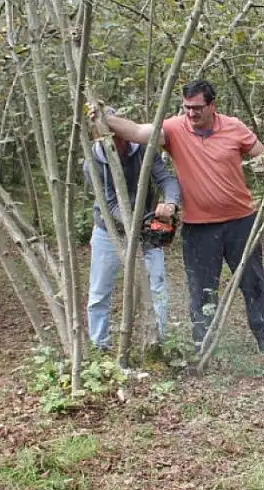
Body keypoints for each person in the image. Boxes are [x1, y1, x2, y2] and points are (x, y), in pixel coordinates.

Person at [101, 80, 264, 355]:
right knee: (201, 289)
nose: (191, 113)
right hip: (199, 229)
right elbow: (139, 132)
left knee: (253, 282)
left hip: (240, 222)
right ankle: (203, 344)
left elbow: (262, 158)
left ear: (213, 105)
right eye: (187, 107)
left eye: (198, 108)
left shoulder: (234, 127)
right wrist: (103, 117)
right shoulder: (175, 128)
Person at [84, 115, 181, 351]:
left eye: (121, 135)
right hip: (109, 232)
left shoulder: (143, 150)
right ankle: (99, 345)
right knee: (99, 292)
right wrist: (142, 221)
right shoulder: (93, 163)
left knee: (157, 287)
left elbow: (167, 179)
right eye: (112, 138)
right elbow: (110, 204)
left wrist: (170, 204)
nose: (120, 142)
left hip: (145, 231)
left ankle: (155, 343)